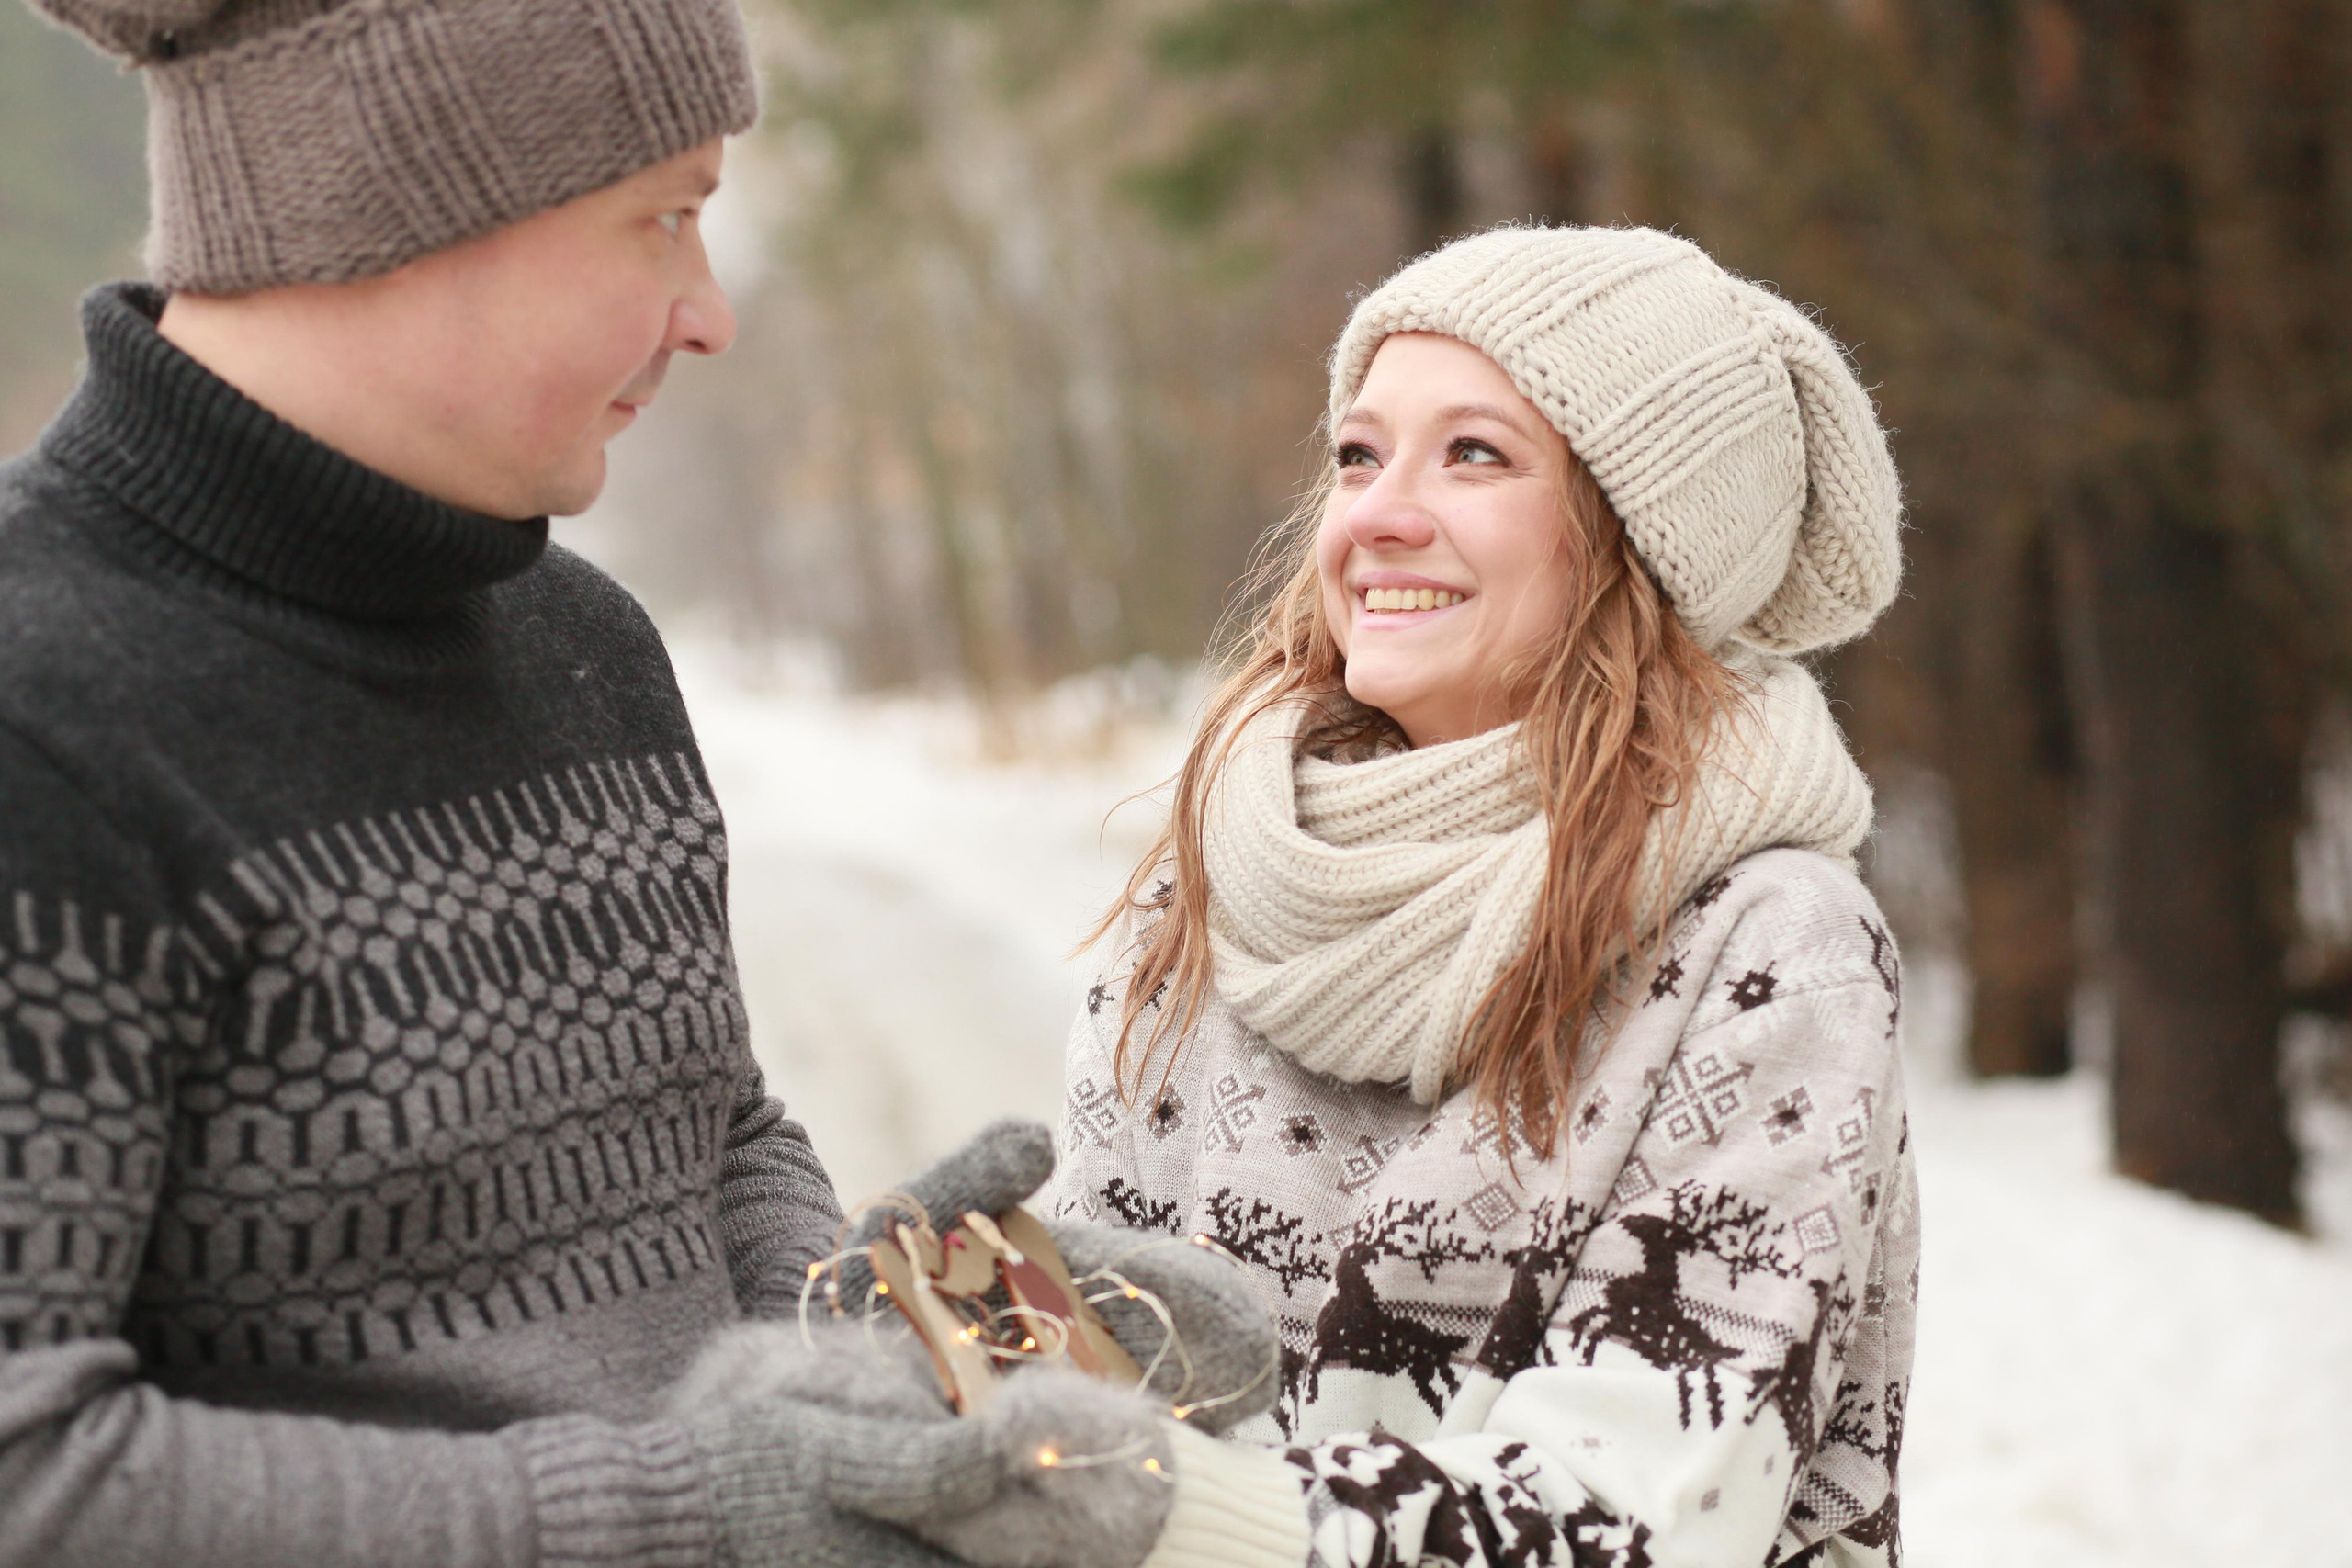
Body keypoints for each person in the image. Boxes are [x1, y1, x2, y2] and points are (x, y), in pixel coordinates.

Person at [0, 3, 1266, 1564]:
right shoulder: (36, 704)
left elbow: (716, 1133)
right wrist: (698, 1513)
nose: (708, 310)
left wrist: (872, 1336)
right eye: (663, 219)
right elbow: (31, 1479)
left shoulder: (578, 640)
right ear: (400, 205)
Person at [1046, 223, 1920, 1567]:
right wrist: (970, 1342)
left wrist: (1171, 1510)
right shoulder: (1214, 892)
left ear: (1643, 548)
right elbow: (1099, 1403)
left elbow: (1639, 1513)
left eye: (1475, 453)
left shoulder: (1770, 945)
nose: (1380, 512)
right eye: (1358, 452)